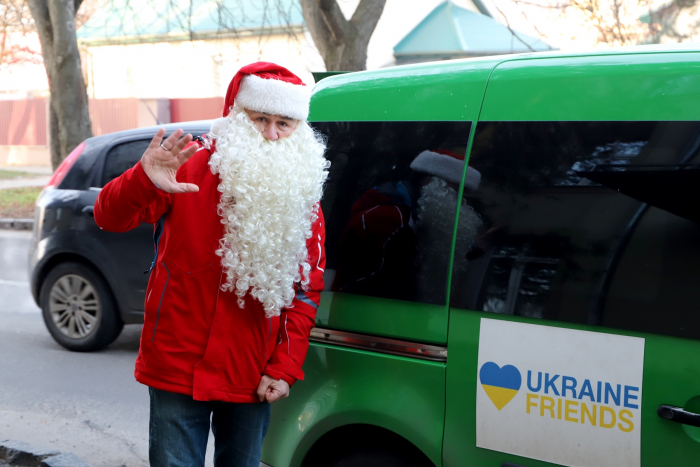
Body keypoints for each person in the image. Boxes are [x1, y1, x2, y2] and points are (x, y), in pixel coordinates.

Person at [94, 62, 330, 467]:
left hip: (252, 371)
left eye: (284, 124)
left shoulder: (301, 193)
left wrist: (284, 367)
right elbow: (108, 216)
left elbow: (306, 289)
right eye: (260, 119)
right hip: (177, 361)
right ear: (238, 117)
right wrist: (142, 179)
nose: (271, 134)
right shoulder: (186, 164)